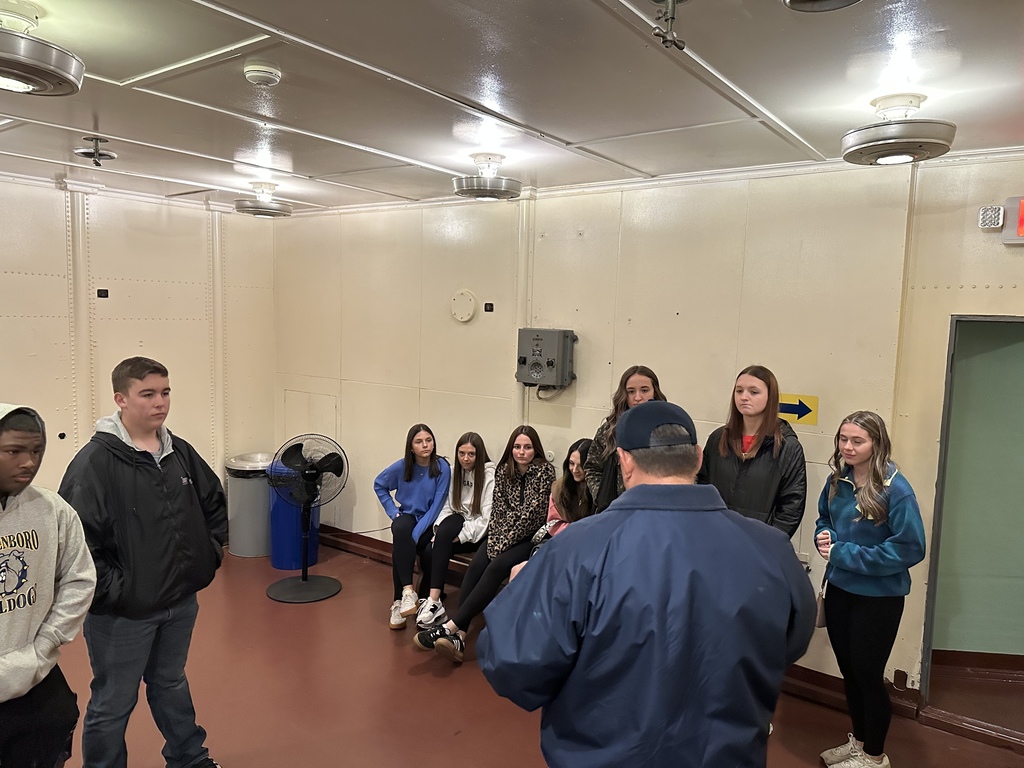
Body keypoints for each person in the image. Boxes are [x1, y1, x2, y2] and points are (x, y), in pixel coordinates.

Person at [477, 401, 816, 768]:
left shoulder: (576, 550)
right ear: (699, 459)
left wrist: (520, 592)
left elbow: (514, 665)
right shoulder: (771, 549)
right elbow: (790, 642)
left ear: (624, 461)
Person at [58, 357, 226, 768]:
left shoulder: (179, 452)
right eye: (148, 394)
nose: (160, 403)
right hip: (123, 615)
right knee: (113, 702)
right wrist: (124, 591)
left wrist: (209, 555)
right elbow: (78, 546)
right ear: (121, 399)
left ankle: (189, 758)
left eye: (165, 392)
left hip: (179, 602)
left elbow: (213, 503)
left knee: (171, 682)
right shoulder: (93, 465)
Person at [815, 412, 926, 768]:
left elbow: (910, 548)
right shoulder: (837, 481)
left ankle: (875, 757)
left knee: (867, 674)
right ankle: (859, 744)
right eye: (843, 439)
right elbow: (825, 519)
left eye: (857, 441)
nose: (847, 447)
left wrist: (843, 552)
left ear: (876, 444)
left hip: (878, 599)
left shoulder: (897, 489)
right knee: (848, 670)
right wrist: (825, 535)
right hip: (840, 590)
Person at [1, 404, 96, 768]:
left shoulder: (51, 510)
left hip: (35, 679)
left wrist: (46, 644)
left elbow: (79, 577)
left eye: (36, 451)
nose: (28, 462)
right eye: (14, 451)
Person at [413, 425, 554, 663]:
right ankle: (460, 636)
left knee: (496, 567)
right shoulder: (504, 470)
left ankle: (450, 627)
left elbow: (532, 517)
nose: (521, 452)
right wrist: (498, 540)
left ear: (535, 450)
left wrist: (502, 543)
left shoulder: (544, 472)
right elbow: (498, 512)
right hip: (501, 534)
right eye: (517, 447)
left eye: (527, 447)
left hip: (529, 539)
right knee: (478, 564)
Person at [698, 365, 807, 538]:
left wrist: (769, 542)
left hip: (760, 545)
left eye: (753, 392)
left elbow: (791, 506)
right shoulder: (718, 438)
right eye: (739, 391)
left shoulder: (787, 446)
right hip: (714, 537)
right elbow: (702, 486)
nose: (744, 397)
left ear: (770, 397)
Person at [374, 424, 451, 630]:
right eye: (419, 442)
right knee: (400, 528)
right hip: (408, 516)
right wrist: (393, 512)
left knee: (417, 547)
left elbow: (436, 506)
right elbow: (379, 484)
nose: (425, 445)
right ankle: (405, 595)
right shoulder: (402, 466)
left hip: (430, 520)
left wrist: (414, 535)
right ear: (410, 447)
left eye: (428, 440)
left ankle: (420, 600)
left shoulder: (442, 467)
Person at [415, 432, 494, 630]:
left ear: (479, 455)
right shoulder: (453, 471)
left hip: (476, 533)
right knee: (429, 544)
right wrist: (440, 531)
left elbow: (485, 520)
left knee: (433, 548)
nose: (465, 459)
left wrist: (460, 537)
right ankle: (434, 600)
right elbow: (448, 507)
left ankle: (433, 602)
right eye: (461, 453)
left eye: (471, 454)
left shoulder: (489, 476)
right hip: (455, 525)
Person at [583, 365, 667, 512]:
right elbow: (592, 467)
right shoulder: (610, 430)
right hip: (615, 510)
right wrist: (601, 496)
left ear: (655, 392)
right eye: (631, 391)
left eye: (645, 390)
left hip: (656, 509)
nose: (638, 397)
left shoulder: (668, 429)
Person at [509, 437, 593, 581]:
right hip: (560, 541)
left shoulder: (598, 491)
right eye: (571, 464)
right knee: (518, 571)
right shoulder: (560, 487)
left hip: (585, 550)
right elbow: (553, 523)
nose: (575, 470)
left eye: (581, 465)